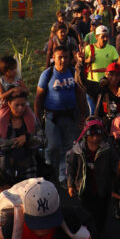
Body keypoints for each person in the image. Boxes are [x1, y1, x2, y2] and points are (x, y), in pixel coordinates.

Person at [35, 46, 88, 184]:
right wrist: (37, 118)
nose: (63, 60)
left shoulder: (72, 72)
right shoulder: (47, 74)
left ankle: (63, 177)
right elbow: (38, 98)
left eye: (66, 57)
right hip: (52, 117)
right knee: (53, 146)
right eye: (60, 57)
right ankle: (48, 167)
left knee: (68, 147)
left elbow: (80, 94)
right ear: (54, 57)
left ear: (70, 58)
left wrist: (83, 114)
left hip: (71, 115)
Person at [66, 117, 120, 234]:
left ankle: (98, 235)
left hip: (103, 189)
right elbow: (71, 167)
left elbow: (116, 165)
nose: (95, 138)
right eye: (92, 135)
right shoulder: (78, 150)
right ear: (86, 135)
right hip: (85, 189)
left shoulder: (108, 149)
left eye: (98, 135)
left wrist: (117, 184)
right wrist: (70, 185)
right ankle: (89, 236)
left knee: (101, 214)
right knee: (86, 214)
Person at [0, 92, 46, 184]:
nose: (20, 108)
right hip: (6, 169)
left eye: (23, 105)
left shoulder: (32, 120)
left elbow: (44, 141)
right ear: (9, 104)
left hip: (28, 167)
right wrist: (14, 142)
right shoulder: (0, 122)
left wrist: (27, 138)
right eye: (17, 105)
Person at [82, 25, 119, 113]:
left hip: (107, 84)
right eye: (103, 37)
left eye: (107, 36)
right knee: (93, 110)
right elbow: (80, 63)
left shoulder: (112, 49)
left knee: (107, 110)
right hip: (91, 84)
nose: (105, 39)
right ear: (96, 37)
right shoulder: (89, 49)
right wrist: (87, 60)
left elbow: (117, 65)